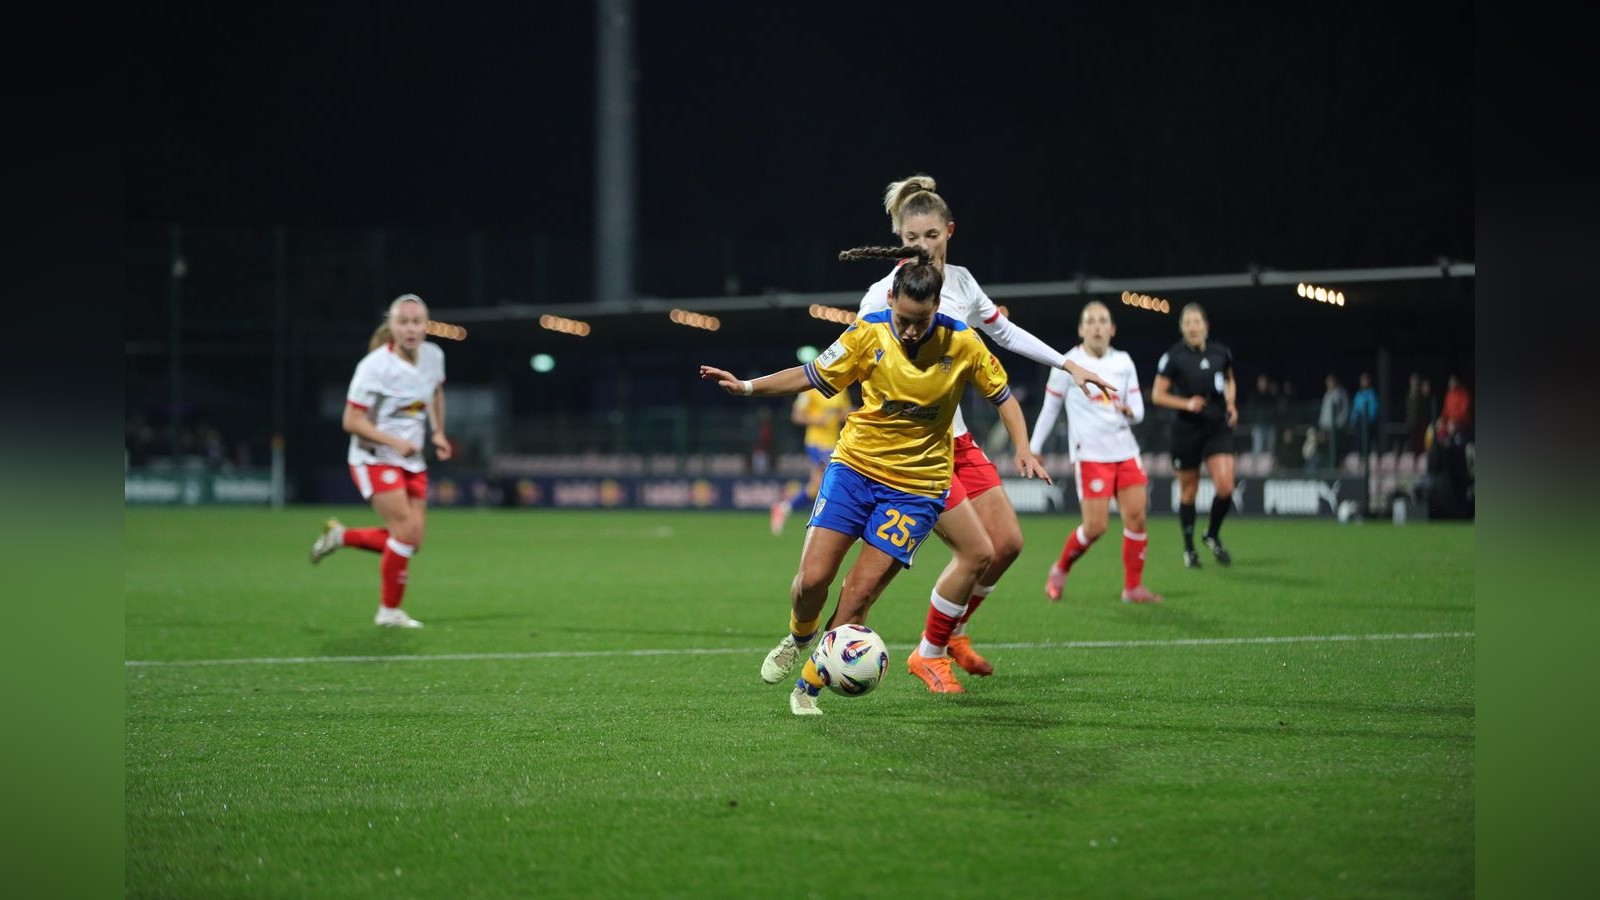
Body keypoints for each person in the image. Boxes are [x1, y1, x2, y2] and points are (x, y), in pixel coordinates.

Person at [702, 246, 1052, 715]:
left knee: (859, 593)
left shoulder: (963, 343)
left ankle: (808, 686)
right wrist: (747, 386)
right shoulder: (868, 333)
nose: (910, 330)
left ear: (936, 308)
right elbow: (810, 375)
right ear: (891, 299)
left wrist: (1024, 446)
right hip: (856, 470)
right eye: (903, 318)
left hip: (918, 489)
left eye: (920, 321)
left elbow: (1004, 396)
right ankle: (798, 636)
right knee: (812, 580)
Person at [853, 174, 1113, 678]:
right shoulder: (882, 295)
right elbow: (854, 358)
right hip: (912, 450)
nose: (923, 247)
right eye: (912, 239)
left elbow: (1006, 332)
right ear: (898, 241)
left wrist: (1068, 364)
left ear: (949, 231)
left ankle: (946, 637)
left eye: (932, 236)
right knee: (966, 553)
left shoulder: (964, 283)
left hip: (958, 438)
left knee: (1008, 544)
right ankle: (923, 654)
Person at [309, 294, 452, 628]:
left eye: (417, 322)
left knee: (412, 541)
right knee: (403, 532)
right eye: (403, 322)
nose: (410, 329)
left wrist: (439, 433)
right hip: (373, 456)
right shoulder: (374, 366)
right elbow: (351, 421)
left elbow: (436, 393)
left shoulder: (433, 356)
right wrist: (393, 441)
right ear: (392, 326)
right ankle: (388, 611)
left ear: (426, 326)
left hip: (411, 459)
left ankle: (341, 537)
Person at [1031, 300, 1164, 604]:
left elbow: (1139, 409)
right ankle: (1060, 569)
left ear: (1112, 329)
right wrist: (1033, 447)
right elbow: (1050, 409)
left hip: (1125, 450)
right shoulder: (1067, 363)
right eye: (1090, 321)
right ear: (1081, 329)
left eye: (1103, 321)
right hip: (1091, 455)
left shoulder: (1124, 362)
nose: (1096, 326)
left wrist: (1132, 412)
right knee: (1095, 527)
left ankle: (1132, 588)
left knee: (1137, 518)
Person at [1150, 303, 1238, 568]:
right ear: (1181, 329)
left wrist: (1231, 404)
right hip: (1186, 429)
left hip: (1216, 426)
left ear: (1206, 325)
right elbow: (1157, 395)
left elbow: (1230, 379)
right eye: (1187, 322)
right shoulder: (1173, 357)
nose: (1192, 326)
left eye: (1196, 321)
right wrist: (1186, 403)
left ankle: (1211, 533)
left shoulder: (1221, 353)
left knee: (1225, 487)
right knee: (1189, 492)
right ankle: (1189, 550)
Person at [770, 387, 855, 535]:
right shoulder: (812, 388)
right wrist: (818, 419)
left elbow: (844, 412)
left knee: (816, 487)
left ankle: (784, 508)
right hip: (816, 443)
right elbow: (796, 415)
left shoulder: (841, 388)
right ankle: (848, 525)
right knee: (842, 477)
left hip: (834, 442)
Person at [1317, 373, 1350, 465]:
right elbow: (1324, 411)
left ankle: (1336, 468)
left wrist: (1339, 424)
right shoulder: (1327, 394)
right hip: (1326, 428)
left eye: (1330, 381)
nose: (1328, 384)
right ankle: (1327, 468)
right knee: (1326, 450)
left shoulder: (1340, 393)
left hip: (1336, 428)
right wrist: (1321, 426)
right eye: (1327, 382)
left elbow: (1344, 411)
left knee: (1335, 450)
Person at [1350, 372, 1379, 458]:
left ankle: (1367, 463)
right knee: (1358, 443)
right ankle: (1359, 460)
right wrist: (1352, 420)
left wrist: (1369, 419)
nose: (1363, 382)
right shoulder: (1358, 394)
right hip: (1358, 423)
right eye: (1362, 380)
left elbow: (1374, 408)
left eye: (1365, 380)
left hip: (1367, 423)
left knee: (1366, 444)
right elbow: (1354, 408)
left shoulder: (1371, 394)